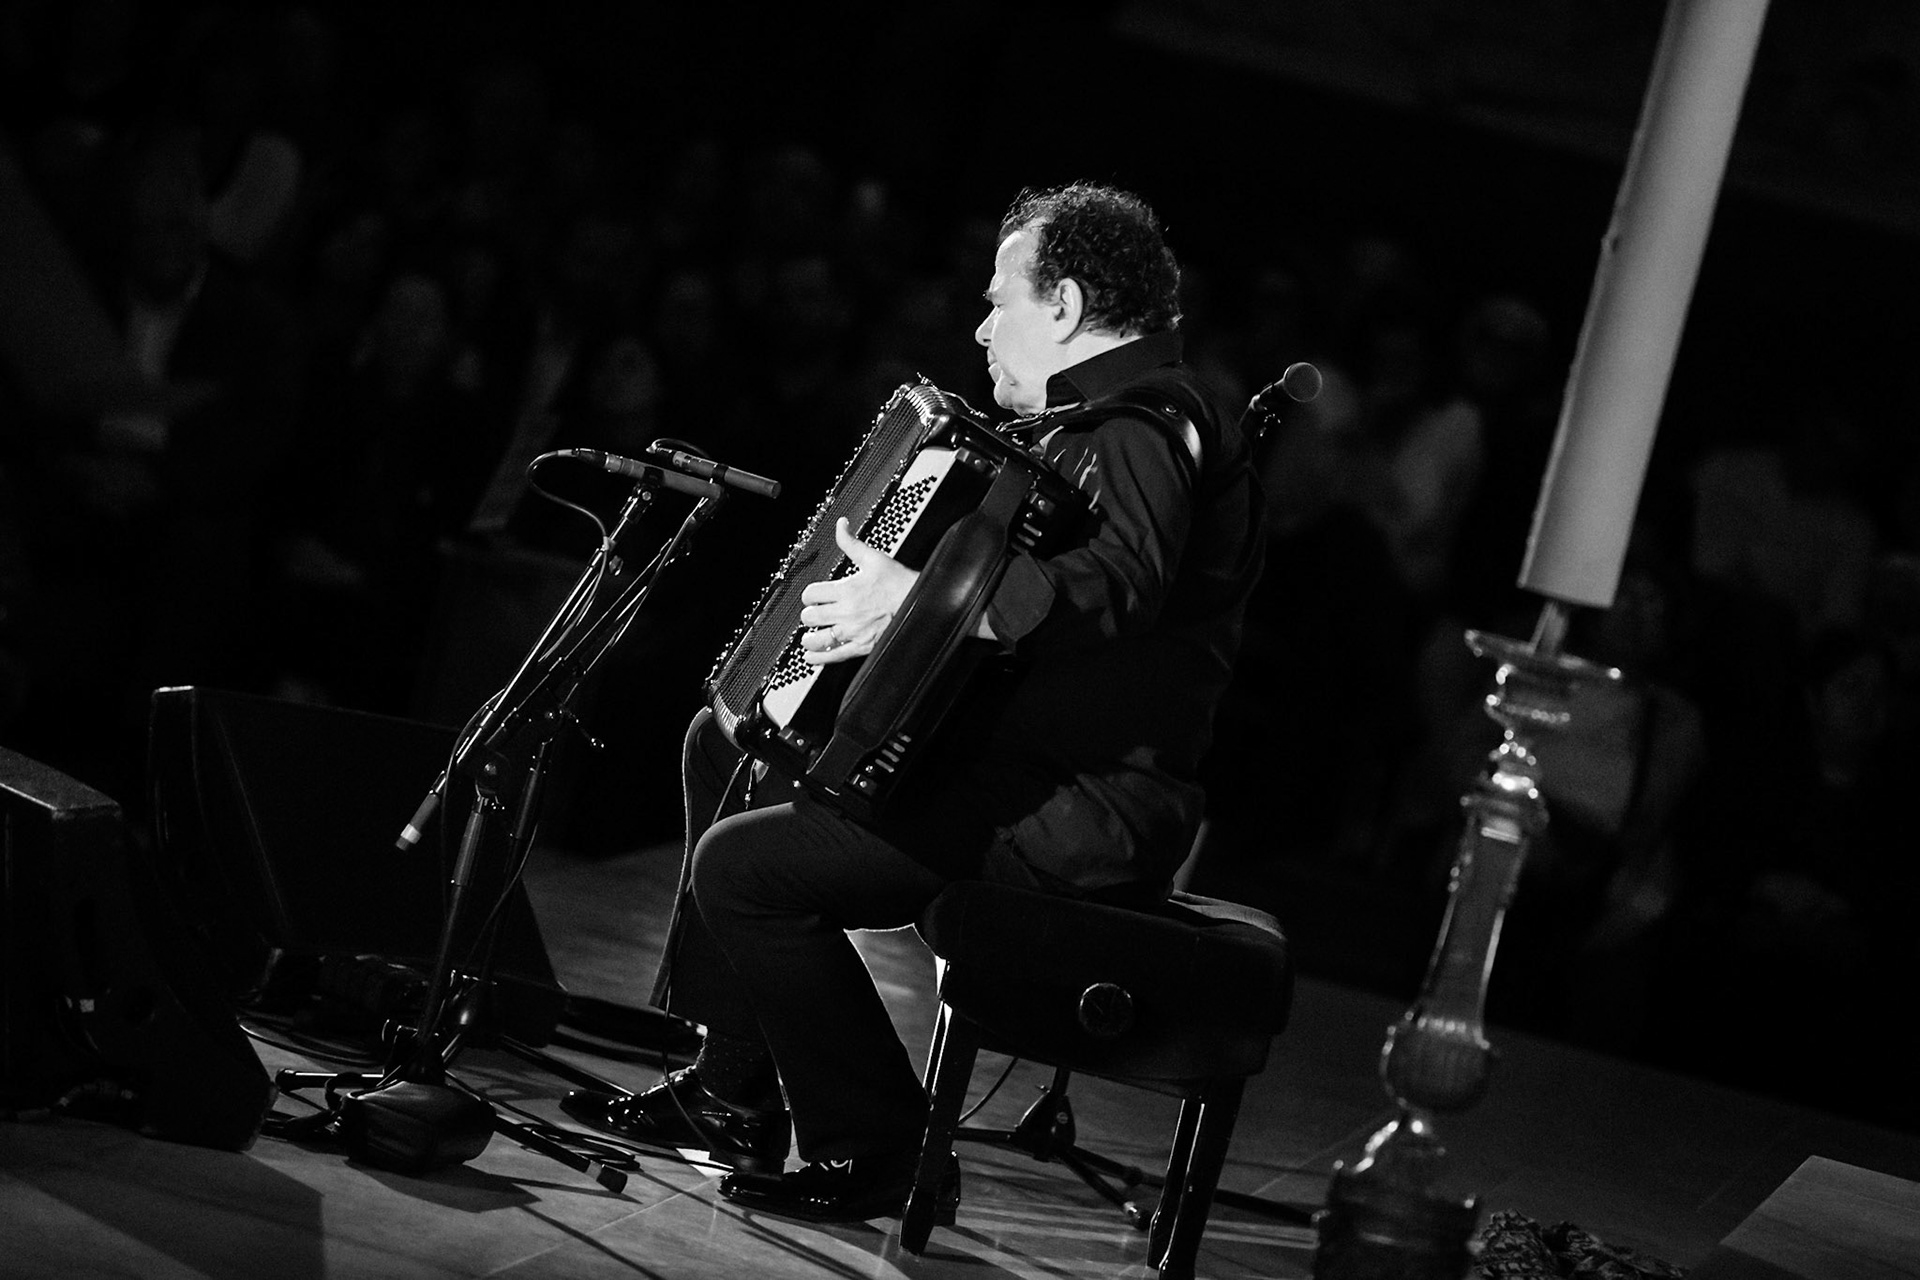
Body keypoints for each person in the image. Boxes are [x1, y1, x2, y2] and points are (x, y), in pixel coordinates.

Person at [560, 183, 1267, 1224]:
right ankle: (728, 1095)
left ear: (1064, 306)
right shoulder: (1100, 424)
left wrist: (924, 607)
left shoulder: (1142, 430)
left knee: (743, 868)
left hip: (1071, 807)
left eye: (1000, 300)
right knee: (729, 745)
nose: (982, 326)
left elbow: (1117, 583)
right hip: (1010, 770)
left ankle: (879, 1145)